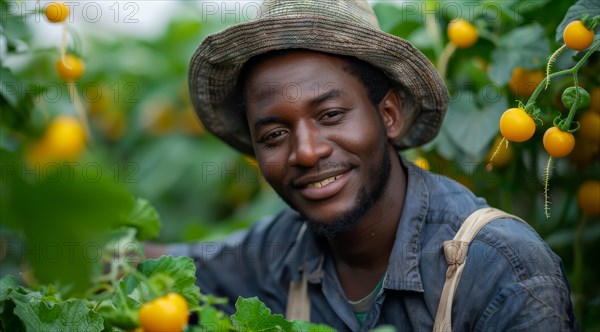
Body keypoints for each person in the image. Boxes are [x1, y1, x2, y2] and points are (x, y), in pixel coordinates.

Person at [163, 0, 579, 330]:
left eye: (330, 115)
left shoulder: (502, 271)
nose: (306, 152)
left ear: (389, 115)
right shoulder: (281, 251)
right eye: (274, 135)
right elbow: (169, 267)